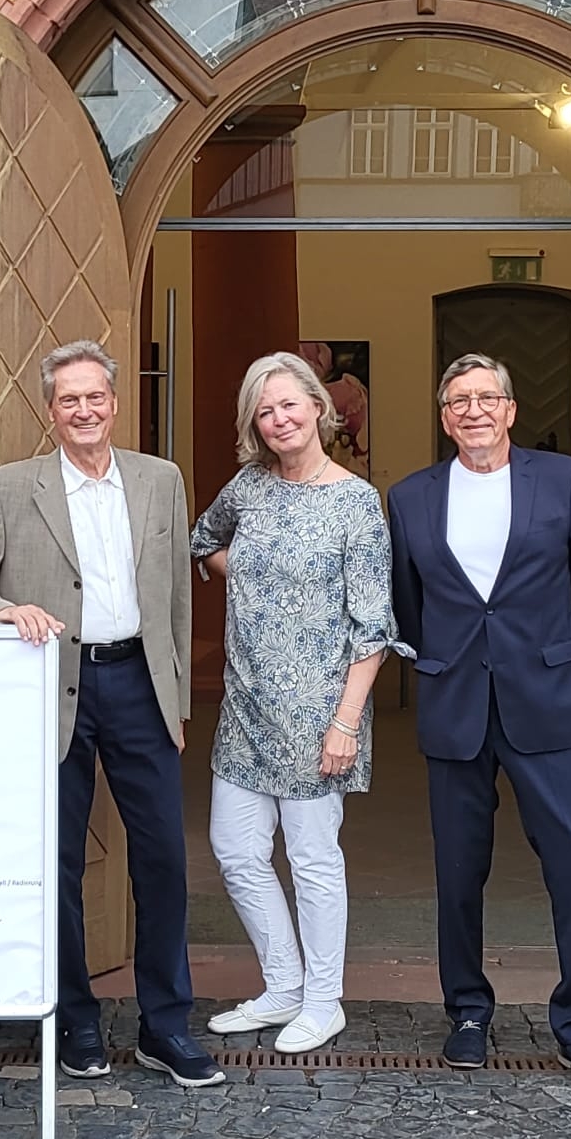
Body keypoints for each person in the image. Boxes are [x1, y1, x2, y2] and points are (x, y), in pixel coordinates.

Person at [0, 340, 224, 1089]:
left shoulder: (161, 480)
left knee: (162, 859)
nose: (85, 410)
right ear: (49, 411)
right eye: (70, 400)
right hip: (49, 691)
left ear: (115, 403)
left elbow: (176, 603)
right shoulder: (6, 488)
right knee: (54, 861)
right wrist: (4, 610)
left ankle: (165, 1025)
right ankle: (74, 1017)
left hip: (138, 687)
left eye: (96, 397)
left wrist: (177, 699)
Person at [388, 352, 571, 1089]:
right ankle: (466, 1011)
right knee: (460, 870)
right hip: (456, 703)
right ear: (443, 417)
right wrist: (442, 664)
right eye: (458, 401)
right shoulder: (410, 497)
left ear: (512, 410)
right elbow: (408, 602)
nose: (474, 411)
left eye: (488, 397)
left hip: (547, 700)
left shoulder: (564, 481)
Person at [191, 352, 406, 1054]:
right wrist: (246, 577)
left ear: (318, 406)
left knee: (313, 859)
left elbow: (374, 626)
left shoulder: (356, 501)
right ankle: (282, 985)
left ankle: (323, 1000)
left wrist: (347, 721)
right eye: (264, 410)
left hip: (321, 715)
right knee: (236, 851)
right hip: (247, 707)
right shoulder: (249, 488)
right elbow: (204, 539)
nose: (279, 419)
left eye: (289, 404)